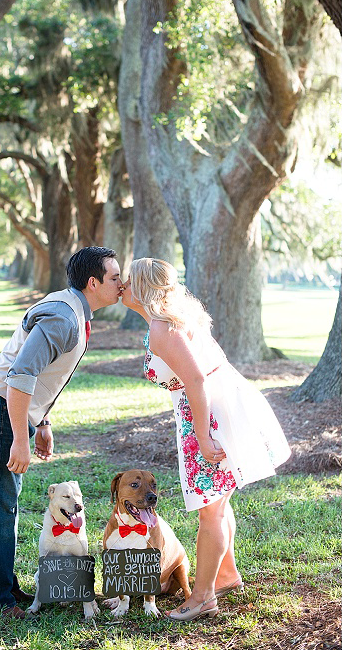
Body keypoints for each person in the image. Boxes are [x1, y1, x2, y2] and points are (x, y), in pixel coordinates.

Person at [121, 258, 290, 621]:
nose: (121, 283)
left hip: (208, 415)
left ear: (143, 288)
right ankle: (226, 576)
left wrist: (201, 433)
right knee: (219, 504)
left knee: (209, 511)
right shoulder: (169, 320)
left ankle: (202, 597)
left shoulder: (163, 329)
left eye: (127, 279)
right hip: (219, 407)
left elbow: (196, 380)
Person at [0, 246, 123, 618]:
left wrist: (42, 422)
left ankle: (2, 589)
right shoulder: (64, 318)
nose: (122, 283)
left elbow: (43, 372)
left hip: (14, 410)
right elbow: (20, 375)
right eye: (116, 278)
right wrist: (20, 438)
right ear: (93, 282)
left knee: (5, 501)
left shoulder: (75, 310)